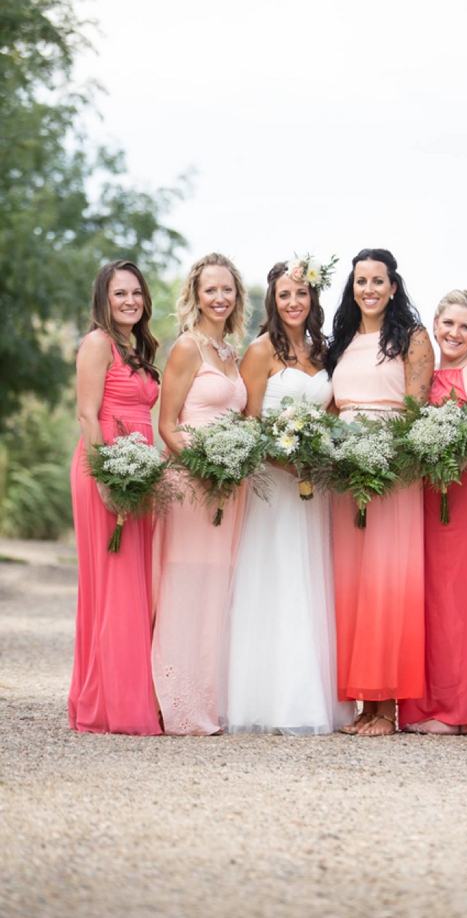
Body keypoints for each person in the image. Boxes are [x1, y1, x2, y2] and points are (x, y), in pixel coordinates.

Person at [225, 258, 353, 735]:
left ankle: (311, 697)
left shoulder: (324, 353)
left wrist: (324, 453)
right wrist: (288, 461)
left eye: (301, 293)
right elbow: (249, 425)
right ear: (272, 301)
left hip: (315, 487)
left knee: (312, 580)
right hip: (275, 485)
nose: (294, 302)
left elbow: (335, 412)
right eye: (284, 295)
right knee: (274, 579)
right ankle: (269, 700)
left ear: (313, 298)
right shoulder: (259, 352)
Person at [326, 248, 434, 736]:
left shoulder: (412, 339)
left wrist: (384, 456)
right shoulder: (343, 341)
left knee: (388, 583)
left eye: (378, 280)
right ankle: (360, 703)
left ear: (393, 286)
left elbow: (415, 410)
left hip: (392, 470)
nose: (368, 289)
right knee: (351, 585)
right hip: (345, 471)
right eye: (360, 281)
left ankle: (387, 706)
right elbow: (331, 408)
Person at [398, 289, 467, 736]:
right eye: (448, 324)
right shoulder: (427, 373)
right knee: (435, 601)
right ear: (435, 325)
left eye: (465, 327)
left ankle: (462, 708)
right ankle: (435, 707)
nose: (455, 333)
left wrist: (461, 450)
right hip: (430, 496)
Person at [151, 253, 248, 735]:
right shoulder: (186, 348)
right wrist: (204, 468)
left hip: (231, 486)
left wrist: (232, 468)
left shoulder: (232, 353)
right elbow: (167, 424)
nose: (219, 297)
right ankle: (178, 702)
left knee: (217, 587)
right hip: (191, 483)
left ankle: (209, 697)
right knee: (185, 582)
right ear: (196, 294)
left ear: (237, 296)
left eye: (226, 289)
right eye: (210, 289)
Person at [69, 260, 162, 735]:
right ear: (103, 300)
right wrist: (106, 478)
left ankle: (127, 692)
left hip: (138, 470)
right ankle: (110, 704)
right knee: (114, 582)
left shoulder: (139, 347)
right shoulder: (97, 343)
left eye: (136, 293)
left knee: (135, 583)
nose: (130, 301)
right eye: (119, 294)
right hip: (105, 467)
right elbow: (87, 415)